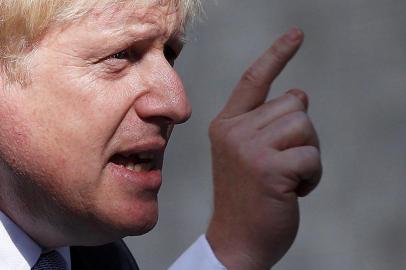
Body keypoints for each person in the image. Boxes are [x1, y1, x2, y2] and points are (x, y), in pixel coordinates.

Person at [0, 0, 322, 269]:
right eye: (121, 54)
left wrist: (231, 251)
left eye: (170, 53)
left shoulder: (100, 258)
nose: (177, 104)